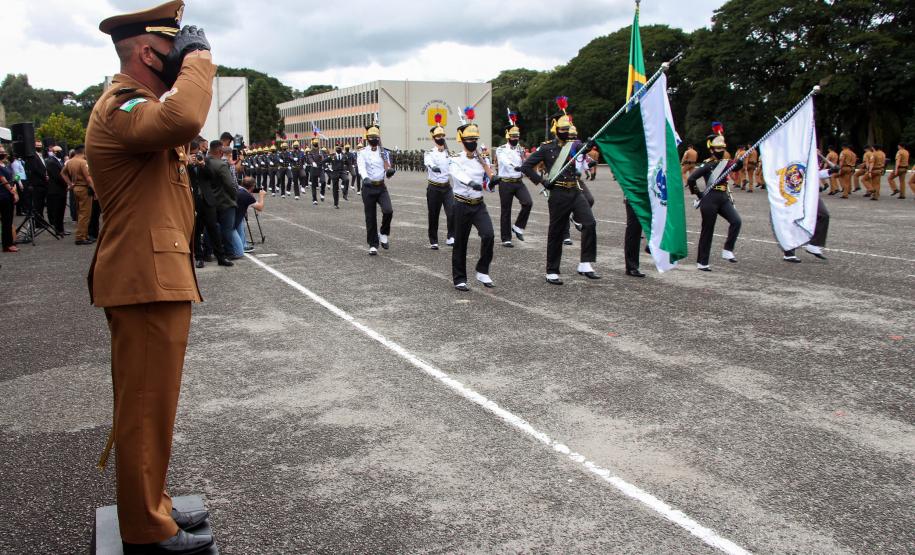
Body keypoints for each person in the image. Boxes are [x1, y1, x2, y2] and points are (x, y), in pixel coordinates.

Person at [85, 3, 215, 552]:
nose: (180, 59)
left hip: (153, 275)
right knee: (144, 403)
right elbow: (184, 119)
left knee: (153, 402)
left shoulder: (139, 108)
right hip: (143, 279)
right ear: (146, 53)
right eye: (172, 51)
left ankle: (153, 504)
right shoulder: (123, 105)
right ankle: (142, 525)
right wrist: (203, 61)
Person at [520, 101, 600, 285]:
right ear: (556, 129)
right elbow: (526, 166)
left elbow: (583, 149)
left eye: (568, 128)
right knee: (556, 232)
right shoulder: (547, 148)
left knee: (589, 223)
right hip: (558, 194)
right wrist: (542, 181)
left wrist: (589, 146)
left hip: (575, 190)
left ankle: (585, 263)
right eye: (562, 128)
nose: (565, 131)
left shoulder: (574, 145)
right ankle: (552, 270)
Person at [448, 119, 499, 291]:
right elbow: (457, 175)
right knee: (460, 242)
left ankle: (482, 270)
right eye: (469, 140)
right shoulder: (455, 159)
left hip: (478, 204)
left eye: (475, 139)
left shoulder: (482, 159)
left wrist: (492, 182)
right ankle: (460, 278)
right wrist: (471, 183)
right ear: (462, 141)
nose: (473, 143)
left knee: (489, 235)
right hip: (461, 204)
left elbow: (486, 182)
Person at [686, 125, 743, 271]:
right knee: (708, 230)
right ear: (711, 150)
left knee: (736, 221)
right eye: (718, 149)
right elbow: (691, 179)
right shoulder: (708, 165)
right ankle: (702, 261)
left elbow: (737, 166)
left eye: (722, 149)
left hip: (723, 197)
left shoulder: (726, 163)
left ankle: (727, 250)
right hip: (709, 199)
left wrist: (740, 161)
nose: (721, 151)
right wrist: (699, 194)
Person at [357, 123, 395, 255]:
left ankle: (383, 233)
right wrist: (365, 177)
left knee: (388, 210)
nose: (374, 139)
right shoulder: (362, 152)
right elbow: (361, 167)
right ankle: (373, 244)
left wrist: (389, 172)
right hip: (368, 187)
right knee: (370, 217)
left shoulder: (384, 152)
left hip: (381, 187)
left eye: (376, 137)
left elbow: (386, 167)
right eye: (371, 137)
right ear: (367, 138)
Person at [782, 166, 834, 262]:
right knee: (793, 220)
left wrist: (829, 171)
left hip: (810, 192)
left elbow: (813, 173)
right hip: (794, 192)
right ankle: (789, 252)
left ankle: (814, 245)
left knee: (823, 215)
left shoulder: (809, 154)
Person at [495, 122, 531, 248]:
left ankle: (518, 227)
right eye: (513, 136)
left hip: (518, 182)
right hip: (505, 182)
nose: (515, 138)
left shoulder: (520, 149)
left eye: (517, 136)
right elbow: (504, 161)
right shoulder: (501, 149)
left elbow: (525, 162)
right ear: (508, 136)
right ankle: (506, 238)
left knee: (528, 202)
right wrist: (514, 166)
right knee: (506, 211)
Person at [423, 121, 454, 249]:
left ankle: (451, 236)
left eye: (442, 136)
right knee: (433, 214)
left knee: (452, 212)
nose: (441, 138)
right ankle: (433, 240)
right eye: (438, 136)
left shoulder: (449, 153)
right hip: (434, 187)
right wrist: (433, 166)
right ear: (434, 138)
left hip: (446, 187)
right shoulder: (429, 153)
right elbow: (428, 162)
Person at [206, 140, 239, 258]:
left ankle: (208, 252)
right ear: (220, 151)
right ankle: (229, 252)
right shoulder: (221, 165)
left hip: (208, 201)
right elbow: (229, 184)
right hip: (224, 201)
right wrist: (234, 196)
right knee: (227, 229)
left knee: (209, 228)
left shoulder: (203, 163)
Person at [63, 145, 95, 245]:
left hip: (75, 189)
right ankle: (81, 237)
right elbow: (88, 178)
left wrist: (70, 184)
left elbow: (62, 173)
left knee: (79, 213)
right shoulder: (83, 162)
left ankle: (82, 235)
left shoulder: (70, 161)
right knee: (85, 214)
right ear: (84, 151)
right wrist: (95, 190)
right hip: (84, 189)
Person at [232, 176, 265, 255]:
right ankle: (238, 247)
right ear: (253, 186)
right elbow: (260, 207)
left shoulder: (238, 189)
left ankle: (243, 244)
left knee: (241, 222)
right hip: (232, 223)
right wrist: (261, 196)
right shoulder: (246, 195)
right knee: (239, 253)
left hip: (233, 217)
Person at [44, 145, 70, 235]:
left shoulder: (60, 161)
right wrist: (67, 184)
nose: (61, 152)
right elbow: (58, 177)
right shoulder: (52, 162)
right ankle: (58, 229)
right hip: (56, 189)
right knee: (57, 210)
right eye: (59, 151)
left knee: (61, 210)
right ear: (55, 152)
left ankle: (61, 229)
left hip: (61, 189)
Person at [0, 145, 19, 252]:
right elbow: (4, 181)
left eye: (3, 151)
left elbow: (13, 177)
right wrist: (13, 192)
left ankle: (9, 242)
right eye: (1, 152)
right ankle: (7, 244)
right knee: (6, 221)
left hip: (9, 194)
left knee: (9, 220)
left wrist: (16, 186)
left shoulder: (6, 165)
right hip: (3, 195)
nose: (3, 153)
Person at [326, 143, 352, 208]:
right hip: (334, 172)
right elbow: (324, 161)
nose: (339, 149)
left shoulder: (344, 156)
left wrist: (349, 169)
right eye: (337, 148)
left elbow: (349, 163)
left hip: (342, 171)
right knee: (335, 189)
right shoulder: (332, 156)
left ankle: (345, 194)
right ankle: (336, 204)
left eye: (340, 148)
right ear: (335, 149)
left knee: (347, 179)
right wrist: (327, 168)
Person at [306, 138, 326, 205]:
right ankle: (314, 199)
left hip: (320, 168)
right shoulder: (310, 151)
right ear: (312, 144)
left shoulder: (321, 151)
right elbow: (310, 158)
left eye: (316, 143)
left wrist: (322, 157)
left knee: (323, 181)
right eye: (315, 143)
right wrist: (313, 162)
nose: (316, 144)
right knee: (314, 185)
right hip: (314, 169)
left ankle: (322, 193)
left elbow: (324, 158)